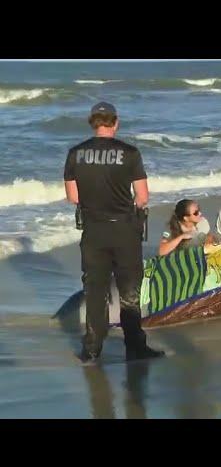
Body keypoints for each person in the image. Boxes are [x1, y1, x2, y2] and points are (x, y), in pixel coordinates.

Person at [63, 101, 164, 362]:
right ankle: (135, 347)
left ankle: (92, 349)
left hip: (93, 231)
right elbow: (142, 197)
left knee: (95, 290)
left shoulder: (75, 153)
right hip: (124, 231)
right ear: (115, 122)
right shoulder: (130, 153)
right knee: (129, 291)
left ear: (92, 122)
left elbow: (73, 197)